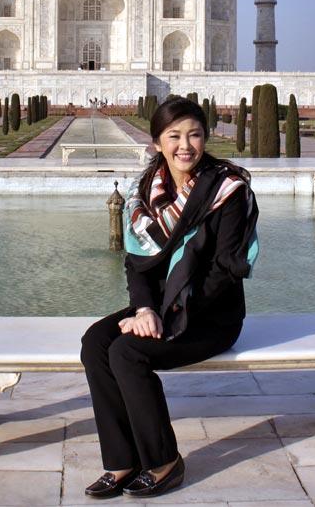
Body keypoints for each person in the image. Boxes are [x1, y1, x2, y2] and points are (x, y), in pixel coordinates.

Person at [81, 97, 258, 498]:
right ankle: (122, 461)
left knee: (128, 353)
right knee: (95, 342)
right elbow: (137, 261)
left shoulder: (228, 189)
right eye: (174, 136)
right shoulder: (147, 188)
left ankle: (164, 461)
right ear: (157, 142)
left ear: (205, 138)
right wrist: (145, 308)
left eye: (194, 134)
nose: (185, 145)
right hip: (160, 305)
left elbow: (227, 269)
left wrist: (168, 312)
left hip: (210, 315)